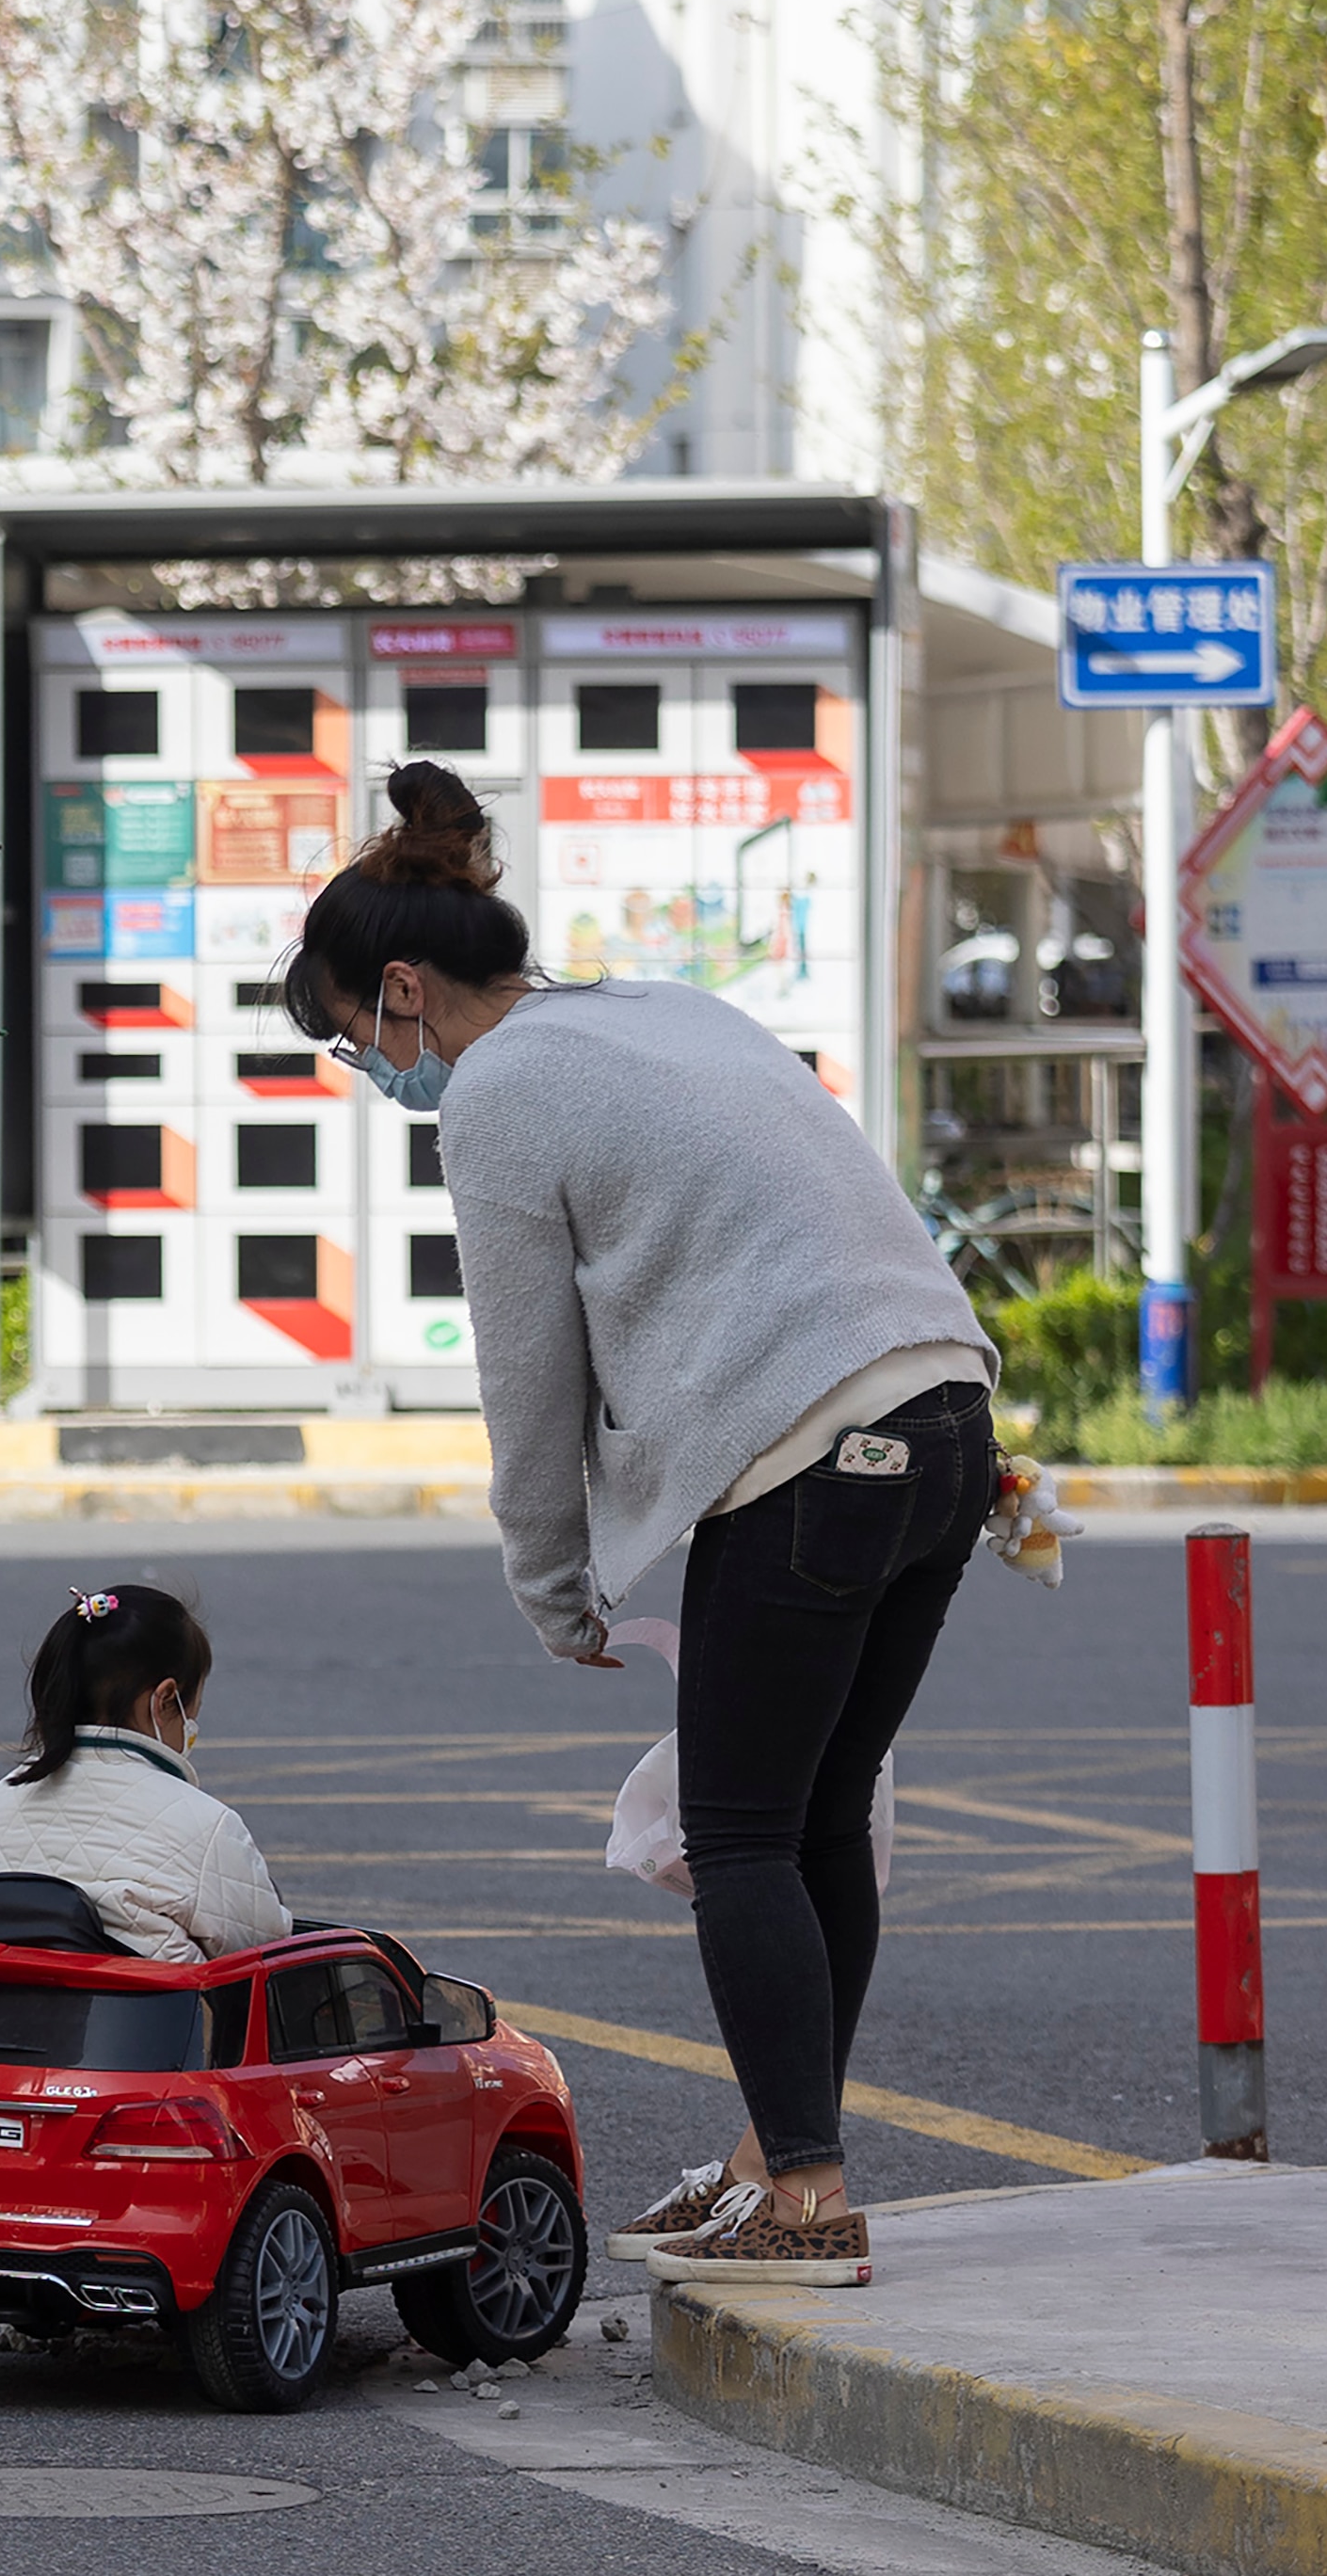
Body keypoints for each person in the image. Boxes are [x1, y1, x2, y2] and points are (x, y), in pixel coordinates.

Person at [279, 763, 999, 2292]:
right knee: (814, 1819)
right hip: (945, 1416)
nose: (380, 1076)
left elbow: (526, 1370)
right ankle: (771, 2162)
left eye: (359, 1045)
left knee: (740, 1834)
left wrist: (552, 1586)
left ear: (404, 988)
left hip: (808, 1449)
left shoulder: (499, 1092)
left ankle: (804, 2193)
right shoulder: (665, 1008)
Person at [0, 1584, 290, 1965]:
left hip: (0, 2018)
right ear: (165, 1699)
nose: (192, 1723)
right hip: (145, 2023)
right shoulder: (205, 1826)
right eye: (191, 1709)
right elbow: (269, 1948)